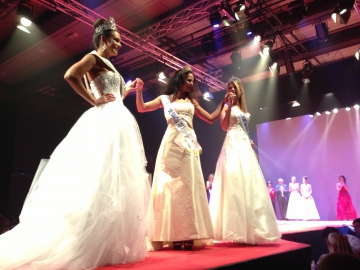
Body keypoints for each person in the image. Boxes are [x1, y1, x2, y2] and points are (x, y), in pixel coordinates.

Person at [0, 17, 152, 269]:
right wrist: (94, 100)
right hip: (105, 120)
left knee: (112, 178)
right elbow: (70, 75)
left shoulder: (110, 65)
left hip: (118, 119)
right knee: (95, 176)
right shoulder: (93, 57)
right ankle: (82, 238)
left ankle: (105, 241)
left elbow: (115, 95)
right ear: (103, 39)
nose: (119, 45)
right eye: (116, 40)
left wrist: (129, 90)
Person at [136, 65, 229, 250]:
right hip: (170, 147)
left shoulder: (192, 102)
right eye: (188, 80)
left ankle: (188, 234)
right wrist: (139, 91)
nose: (191, 84)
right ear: (180, 80)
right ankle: (172, 234)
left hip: (188, 148)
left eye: (193, 81)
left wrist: (223, 103)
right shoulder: (165, 99)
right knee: (170, 189)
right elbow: (141, 108)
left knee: (187, 190)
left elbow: (210, 118)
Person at [208, 76, 281, 244]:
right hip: (231, 144)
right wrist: (230, 105)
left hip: (245, 146)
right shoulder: (225, 107)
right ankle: (235, 229)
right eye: (229, 88)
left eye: (234, 88)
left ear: (240, 90)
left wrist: (249, 141)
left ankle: (252, 227)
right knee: (234, 182)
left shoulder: (245, 110)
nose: (231, 90)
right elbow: (225, 126)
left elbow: (244, 130)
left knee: (249, 184)